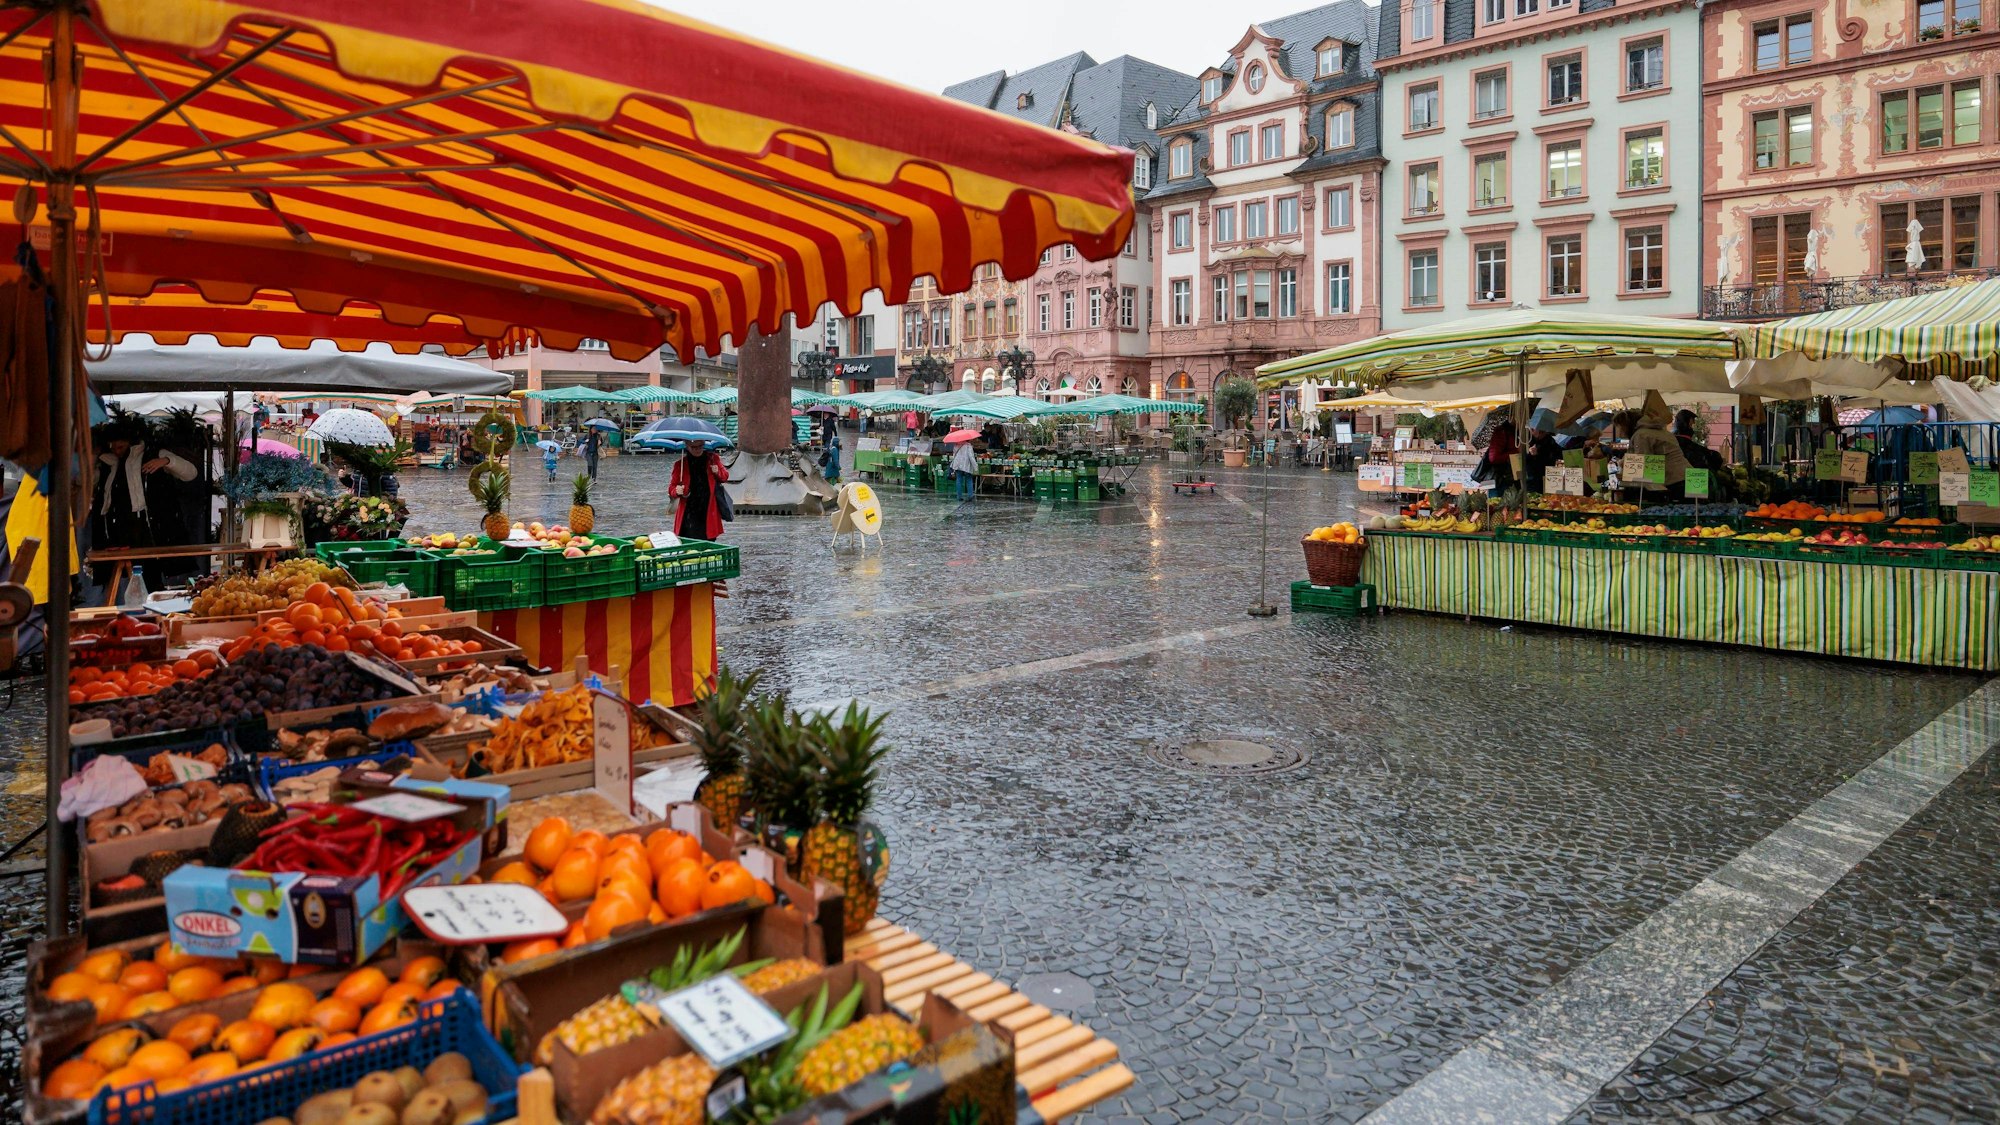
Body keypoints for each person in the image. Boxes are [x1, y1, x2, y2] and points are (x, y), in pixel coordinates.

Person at [90, 418, 197, 597]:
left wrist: (166, 461)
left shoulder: (153, 453)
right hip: (118, 528)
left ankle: (154, 605)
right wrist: (93, 461)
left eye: (120, 446)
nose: (117, 450)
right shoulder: (108, 463)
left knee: (151, 572)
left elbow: (190, 473)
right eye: (113, 446)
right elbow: (88, 484)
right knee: (119, 574)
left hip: (149, 525)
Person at [1627, 394, 1690, 500]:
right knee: (1691, 512)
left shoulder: (1641, 435)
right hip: (1688, 475)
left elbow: (1643, 461)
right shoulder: (1664, 432)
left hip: (1674, 480)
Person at [671, 437, 728, 540]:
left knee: (709, 541)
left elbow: (724, 477)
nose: (697, 449)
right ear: (687, 446)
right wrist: (676, 491)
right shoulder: (680, 465)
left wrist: (717, 472)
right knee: (690, 542)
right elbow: (672, 487)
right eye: (693, 447)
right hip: (689, 511)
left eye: (700, 446)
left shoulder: (713, 459)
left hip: (708, 509)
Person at [1482, 418, 1519, 491]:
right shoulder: (1501, 432)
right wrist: (1516, 451)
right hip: (1499, 478)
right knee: (1495, 501)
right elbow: (1494, 458)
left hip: (1511, 476)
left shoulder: (1517, 432)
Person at [820, 415, 842, 484]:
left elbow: (833, 428)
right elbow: (835, 460)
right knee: (834, 480)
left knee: (833, 480)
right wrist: (839, 467)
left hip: (830, 469)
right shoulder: (834, 449)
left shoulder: (832, 448)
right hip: (833, 469)